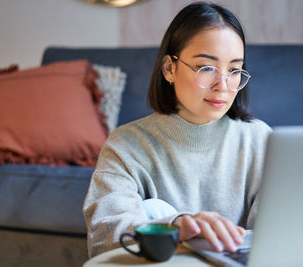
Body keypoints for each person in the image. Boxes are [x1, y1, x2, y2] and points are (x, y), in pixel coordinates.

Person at [83, 2, 272, 258]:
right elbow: (104, 238)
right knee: (153, 208)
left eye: (234, 70)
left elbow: (282, 231)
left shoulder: (262, 140)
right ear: (169, 69)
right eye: (206, 68)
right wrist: (173, 225)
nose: (223, 85)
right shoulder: (125, 146)